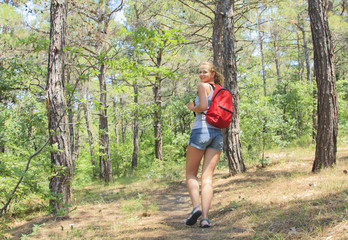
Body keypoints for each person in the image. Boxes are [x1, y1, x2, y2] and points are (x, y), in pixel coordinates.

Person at [185, 61, 224, 228]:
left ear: (212, 74)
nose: (201, 75)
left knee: (191, 174)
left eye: (205, 72)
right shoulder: (220, 90)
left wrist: (192, 108)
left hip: (201, 131)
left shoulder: (203, 86)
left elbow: (203, 106)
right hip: (217, 134)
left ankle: (195, 208)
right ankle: (206, 219)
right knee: (207, 178)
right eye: (200, 72)